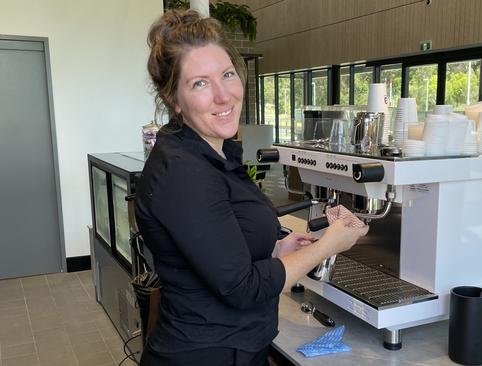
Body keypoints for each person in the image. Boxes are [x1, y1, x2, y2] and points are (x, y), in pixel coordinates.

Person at [135, 9, 369, 366]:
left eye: (227, 74)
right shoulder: (183, 172)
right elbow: (242, 287)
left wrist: (277, 248)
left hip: (238, 346)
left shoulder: (216, 151)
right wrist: (330, 244)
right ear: (173, 99)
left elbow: (220, 245)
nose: (223, 95)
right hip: (205, 355)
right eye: (200, 83)